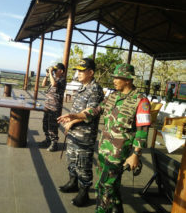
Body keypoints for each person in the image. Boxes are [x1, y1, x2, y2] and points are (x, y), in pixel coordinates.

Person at [58, 63, 151, 213]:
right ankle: (116, 209)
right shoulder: (113, 96)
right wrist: (75, 115)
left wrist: (136, 155)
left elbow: (143, 130)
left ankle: (101, 210)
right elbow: (95, 111)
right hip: (104, 148)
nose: (114, 80)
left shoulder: (141, 101)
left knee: (104, 185)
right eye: (114, 77)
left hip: (119, 152)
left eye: (117, 78)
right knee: (111, 184)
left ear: (128, 80)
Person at [58, 58, 104, 207]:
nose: (78, 73)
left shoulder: (95, 89)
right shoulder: (82, 87)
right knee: (71, 159)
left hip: (85, 134)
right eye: (77, 70)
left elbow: (90, 112)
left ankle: (84, 193)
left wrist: (71, 121)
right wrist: (70, 123)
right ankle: (73, 183)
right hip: (74, 132)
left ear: (91, 72)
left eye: (82, 70)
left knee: (83, 164)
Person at [40, 63, 66, 152]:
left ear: (61, 71)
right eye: (53, 70)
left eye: (56, 69)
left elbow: (54, 84)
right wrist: (47, 75)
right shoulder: (53, 78)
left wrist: (51, 73)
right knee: (45, 123)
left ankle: (54, 144)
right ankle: (48, 140)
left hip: (54, 107)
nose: (54, 71)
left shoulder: (62, 80)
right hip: (47, 105)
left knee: (53, 126)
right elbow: (43, 85)